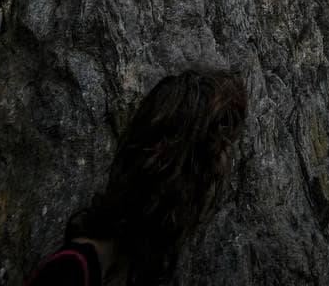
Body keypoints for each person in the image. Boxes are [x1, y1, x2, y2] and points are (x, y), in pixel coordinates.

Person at [23, 69, 247, 286]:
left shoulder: (128, 269)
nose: (209, 196)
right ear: (179, 180)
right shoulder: (70, 273)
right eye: (208, 180)